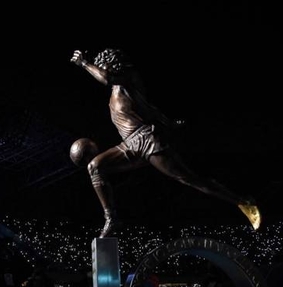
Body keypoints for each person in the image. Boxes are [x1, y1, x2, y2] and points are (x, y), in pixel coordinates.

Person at [69, 48, 261, 238]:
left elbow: (106, 78)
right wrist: (168, 122)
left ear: (112, 65)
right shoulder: (115, 94)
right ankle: (111, 219)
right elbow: (150, 109)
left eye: (103, 66)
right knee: (95, 166)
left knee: (188, 179)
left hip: (148, 140)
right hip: (129, 144)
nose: (100, 70)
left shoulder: (128, 77)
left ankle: (243, 201)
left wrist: (85, 63)